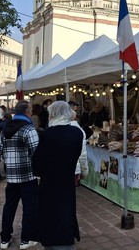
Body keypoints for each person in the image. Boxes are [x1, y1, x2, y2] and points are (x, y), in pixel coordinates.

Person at [32, 101, 85, 249]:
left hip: (49, 182)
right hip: (67, 179)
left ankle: (53, 242)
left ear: (53, 114)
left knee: (50, 215)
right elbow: (78, 155)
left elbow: (37, 164)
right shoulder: (77, 133)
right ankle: (66, 239)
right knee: (66, 212)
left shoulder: (48, 134)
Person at [0, 100, 39, 250]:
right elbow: (37, 153)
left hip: (12, 177)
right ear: (27, 112)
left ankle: (4, 238)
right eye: (31, 109)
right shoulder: (29, 129)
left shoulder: (5, 129)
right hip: (28, 175)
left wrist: (10, 163)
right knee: (29, 208)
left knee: (9, 207)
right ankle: (26, 239)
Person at [69, 109, 88, 186]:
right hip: (74, 167)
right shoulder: (79, 131)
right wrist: (84, 171)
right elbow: (82, 154)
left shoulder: (56, 129)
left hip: (61, 168)